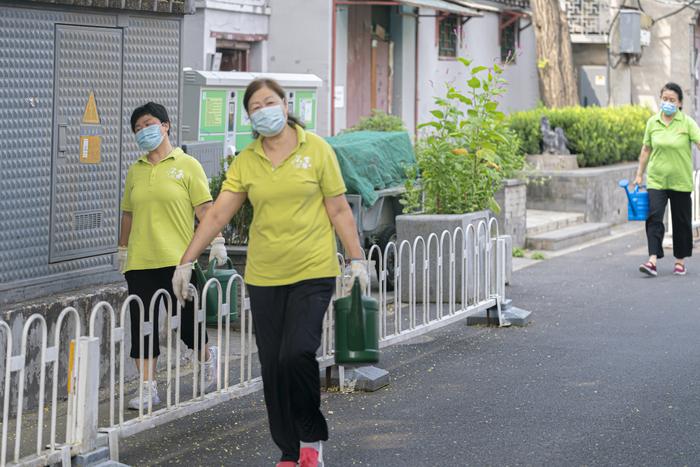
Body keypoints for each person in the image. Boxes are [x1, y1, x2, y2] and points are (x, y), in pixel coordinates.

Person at [171, 79, 368, 467]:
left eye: (270, 102)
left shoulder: (318, 150)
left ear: (284, 103)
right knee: (272, 363)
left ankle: (311, 439)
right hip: (264, 276)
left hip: (312, 270)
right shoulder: (247, 160)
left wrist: (357, 258)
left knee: (297, 353)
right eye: (255, 106)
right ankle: (288, 450)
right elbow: (218, 213)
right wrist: (186, 260)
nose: (264, 110)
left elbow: (339, 209)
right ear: (248, 116)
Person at [119, 102, 229, 410]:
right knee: (143, 325)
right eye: (137, 128)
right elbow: (128, 214)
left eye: (149, 123)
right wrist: (122, 249)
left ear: (166, 125)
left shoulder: (187, 165)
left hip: (180, 261)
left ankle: (207, 358)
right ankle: (146, 387)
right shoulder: (136, 170)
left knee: (189, 323)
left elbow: (206, 210)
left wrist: (217, 241)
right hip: (140, 262)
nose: (143, 131)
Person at [635, 82, 700, 277]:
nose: (668, 103)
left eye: (672, 100)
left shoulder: (687, 122)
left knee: (681, 222)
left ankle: (680, 261)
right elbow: (646, 149)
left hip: (680, 181)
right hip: (657, 180)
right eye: (664, 99)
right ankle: (652, 260)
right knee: (654, 217)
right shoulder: (652, 123)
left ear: (679, 103)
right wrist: (639, 174)